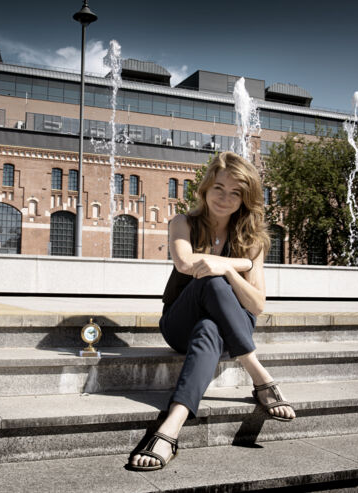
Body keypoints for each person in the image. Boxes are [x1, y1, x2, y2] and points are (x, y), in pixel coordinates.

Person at [128, 151, 296, 471]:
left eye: (236, 193)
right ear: (205, 188)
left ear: (245, 199)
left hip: (230, 330)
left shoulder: (253, 239)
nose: (225, 198)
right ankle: (260, 377)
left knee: (211, 319)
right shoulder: (184, 223)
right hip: (180, 324)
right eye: (219, 188)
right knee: (211, 282)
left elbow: (258, 305)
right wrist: (241, 265)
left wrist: (231, 273)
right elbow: (187, 264)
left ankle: (170, 428)